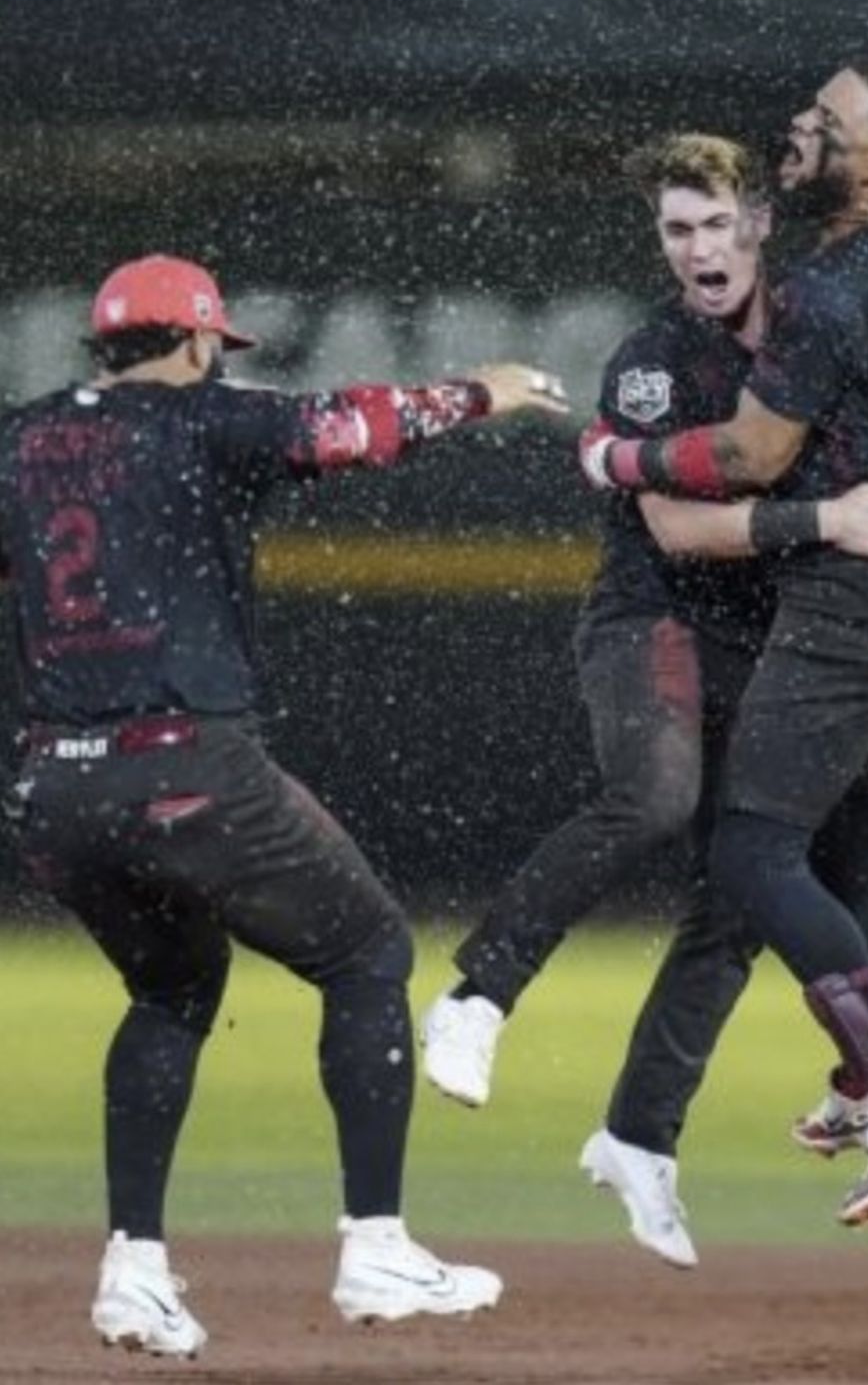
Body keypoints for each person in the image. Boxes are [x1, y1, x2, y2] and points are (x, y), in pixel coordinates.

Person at [0, 253, 568, 1357]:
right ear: (202, 342)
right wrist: (482, 390)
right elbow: (351, 424)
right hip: (186, 764)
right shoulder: (206, 418)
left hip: (51, 784)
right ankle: (376, 1241)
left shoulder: (18, 438)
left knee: (171, 988)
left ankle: (135, 1270)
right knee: (364, 950)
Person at [423, 132, 868, 1259]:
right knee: (658, 800)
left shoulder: (827, 320)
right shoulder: (652, 357)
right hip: (656, 619)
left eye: (718, 224)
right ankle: (478, 994)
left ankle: (641, 1134)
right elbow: (678, 526)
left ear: (762, 227)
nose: (699, 249)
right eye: (677, 229)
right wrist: (823, 520)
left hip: (786, 630)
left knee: (754, 886)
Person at [577, 58, 868, 1228]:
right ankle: (865, 1084)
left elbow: (755, 457)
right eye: (807, 105)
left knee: (754, 856)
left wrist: (618, 456)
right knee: (855, 852)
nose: (801, 124)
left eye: (831, 119)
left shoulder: (824, 287)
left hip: (858, 597)